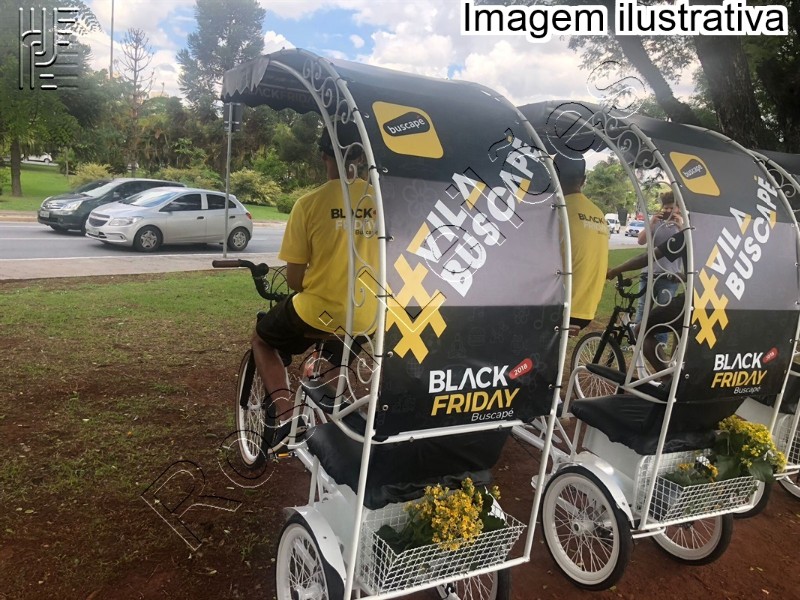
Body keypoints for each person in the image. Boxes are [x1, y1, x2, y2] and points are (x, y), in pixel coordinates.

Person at [251, 122, 377, 445]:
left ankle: (286, 416)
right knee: (339, 347)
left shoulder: (308, 204)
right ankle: (334, 409)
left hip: (319, 311)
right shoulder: (381, 203)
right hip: (368, 315)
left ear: (324, 156)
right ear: (360, 158)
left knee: (262, 339)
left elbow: (295, 279)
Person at [607, 229, 687, 373]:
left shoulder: (687, 235)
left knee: (641, 330)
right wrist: (685, 276)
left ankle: (667, 379)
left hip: (694, 299)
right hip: (719, 302)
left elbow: (647, 258)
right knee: (681, 330)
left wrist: (615, 271)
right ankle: (677, 371)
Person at [555, 153, 610, 335]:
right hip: (587, 310)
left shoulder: (557, 209)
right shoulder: (598, 213)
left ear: (554, 174)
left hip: (561, 307)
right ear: (584, 179)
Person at [635, 191, 684, 346]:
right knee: (643, 309)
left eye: (672, 208)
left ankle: (660, 343)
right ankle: (636, 341)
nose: (668, 211)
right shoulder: (657, 223)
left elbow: (690, 246)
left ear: (679, 209)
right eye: (666, 208)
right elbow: (641, 241)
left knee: (663, 312)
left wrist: (681, 225)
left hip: (669, 277)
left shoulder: (683, 226)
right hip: (649, 274)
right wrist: (651, 223)